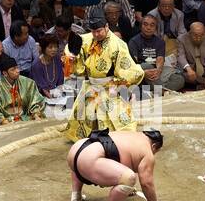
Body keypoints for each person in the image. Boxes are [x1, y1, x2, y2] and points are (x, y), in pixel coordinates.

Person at [60, 15, 145, 143]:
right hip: (91, 85)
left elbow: (129, 69)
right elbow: (71, 46)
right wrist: (71, 56)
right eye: (93, 31)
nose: (96, 34)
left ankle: (119, 139)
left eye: (99, 31)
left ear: (106, 26)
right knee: (83, 115)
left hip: (110, 86)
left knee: (115, 119)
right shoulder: (87, 39)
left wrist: (118, 85)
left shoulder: (117, 44)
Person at [67, 128, 167, 201]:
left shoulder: (132, 135)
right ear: (154, 146)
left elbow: (119, 156)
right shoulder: (148, 152)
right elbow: (146, 183)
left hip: (76, 150)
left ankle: (76, 196)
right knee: (129, 178)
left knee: (82, 161)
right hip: (89, 161)